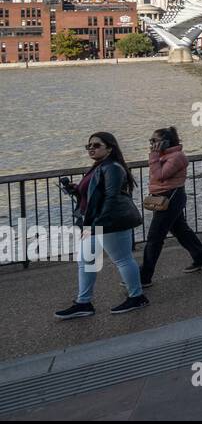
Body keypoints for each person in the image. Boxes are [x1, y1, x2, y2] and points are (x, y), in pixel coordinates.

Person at [55, 132, 147, 319]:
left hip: (109, 222)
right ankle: (84, 303)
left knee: (122, 259)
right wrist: (76, 191)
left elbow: (111, 198)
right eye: (88, 146)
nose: (91, 148)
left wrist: (98, 223)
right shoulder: (98, 167)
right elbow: (95, 195)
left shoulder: (112, 167)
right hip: (94, 222)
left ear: (110, 148)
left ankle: (137, 297)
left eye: (96, 145)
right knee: (86, 261)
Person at [138, 126, 202, 287]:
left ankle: (144, 276)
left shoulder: (176, 157)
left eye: (154, 141)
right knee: (181, 231)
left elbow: (159, 175)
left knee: (154, 238)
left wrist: (154, 156)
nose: (151, 144)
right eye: (150, 141)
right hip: (168, 197)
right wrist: (157, 156)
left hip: (171, 198)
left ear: (165, 142)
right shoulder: (166, 156)